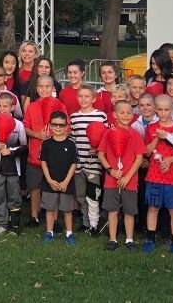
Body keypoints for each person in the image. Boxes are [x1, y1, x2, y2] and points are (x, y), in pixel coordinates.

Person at [142, 94, 173, 256]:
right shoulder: (151, 128)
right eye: (159, 109)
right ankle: (150, 240)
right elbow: (146, 151)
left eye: (167, 109)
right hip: (154, 175)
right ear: (154, 110)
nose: (163, 113)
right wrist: (157, 140)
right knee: (153, 208)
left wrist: (171, 159)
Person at [100, 99, 145, 250]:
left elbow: (139, 158)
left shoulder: (135, 134)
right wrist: (110, 170)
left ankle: (129, 239)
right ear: (115, 115)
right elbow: (101, 154)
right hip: (111, 179)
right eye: (122, 112)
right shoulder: (108, 133)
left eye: (129, 112)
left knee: (129, 210)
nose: (126, 115)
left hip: (129, 180)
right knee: (112, 210)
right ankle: (112, 239)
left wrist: (127, 176)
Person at [0, 91, 27, 235]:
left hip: (13, 168)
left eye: (5, 106)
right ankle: (1, 224)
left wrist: (11, 150)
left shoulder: (18, 125)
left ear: (12, 107)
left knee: (14, 196)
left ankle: (14, 224)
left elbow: (24, 146)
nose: (2, 109)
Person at [23, 75, 60, 229]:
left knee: (53, 187)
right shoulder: (31, 106)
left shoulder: (59, 106)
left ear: (53, 89)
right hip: (35, 155)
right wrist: (37, 134)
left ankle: (55, 219)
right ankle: (34, 216)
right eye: (41, 87)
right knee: (35, 187)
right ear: (37, 89)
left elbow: (66, 128)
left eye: (47, 87)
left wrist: (54, 133)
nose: (44, 89)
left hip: (54, 156)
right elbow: (25, 127)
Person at [68, 85, 106, 235]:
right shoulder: (74, 117)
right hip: (78, 163)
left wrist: (98, 149)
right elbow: (72, 139)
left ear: (93, 98)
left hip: (94, 163)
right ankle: (86, 222)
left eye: (87, 96)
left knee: (93, 195)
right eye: (80, 96)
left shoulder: (101, 116)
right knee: (81, 195)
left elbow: (105, 137)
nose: (83, 99)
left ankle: (94, 225)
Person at [39, 110, 79, 245]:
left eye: (61, 125)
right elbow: (43, 163)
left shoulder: (71, 144)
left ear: (66, 126)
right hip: (49, 182)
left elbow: (74, 164)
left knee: (67, 210)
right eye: (55, 125)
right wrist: (49, 180)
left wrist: (66, 181)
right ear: (50, 125)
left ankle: (69, 233)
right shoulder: (46, 143)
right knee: (50, 208)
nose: (58, 128)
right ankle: (49, 232)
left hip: (66, 183)